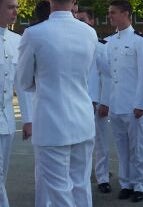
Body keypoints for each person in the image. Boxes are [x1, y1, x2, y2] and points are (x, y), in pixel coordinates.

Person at [17, 0, 97, 206]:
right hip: (82, 118)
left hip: (51, 120)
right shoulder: (88, 32)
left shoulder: (34, 34)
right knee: (81, 185)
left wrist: (45, 79)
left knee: (58, 190)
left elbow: (24, 81)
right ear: (74, 2)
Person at [105, 0, 143, 202]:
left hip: (134, 105)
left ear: (126, 13)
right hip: (116, 104)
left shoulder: (140, 41)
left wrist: (141, 104)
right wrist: (105, 102)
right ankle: (126, 183)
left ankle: (141, 184)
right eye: (109, 13)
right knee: (122, 147)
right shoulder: (109, 41)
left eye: (113, 12)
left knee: (138, 147)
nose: (110, 16)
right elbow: (107, 76)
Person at [76, 6, 114, 194]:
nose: (79, 22)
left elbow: (107, 76)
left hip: (95, 101)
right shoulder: (72, 43)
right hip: (76, 103)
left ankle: (103, 177)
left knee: (100, 142)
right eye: (77, 18)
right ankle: (80, 179)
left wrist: (105, 101)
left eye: (82, 19)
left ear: (91, 21)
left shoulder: (100, 45)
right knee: (78, 145)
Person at [0, 0, 32, 206]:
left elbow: (22, 84)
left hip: (7, 121)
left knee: (2, 173)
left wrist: (28, 119)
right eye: (10, 7)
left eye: (17, 7)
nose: (16, 12)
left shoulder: (16, 40)